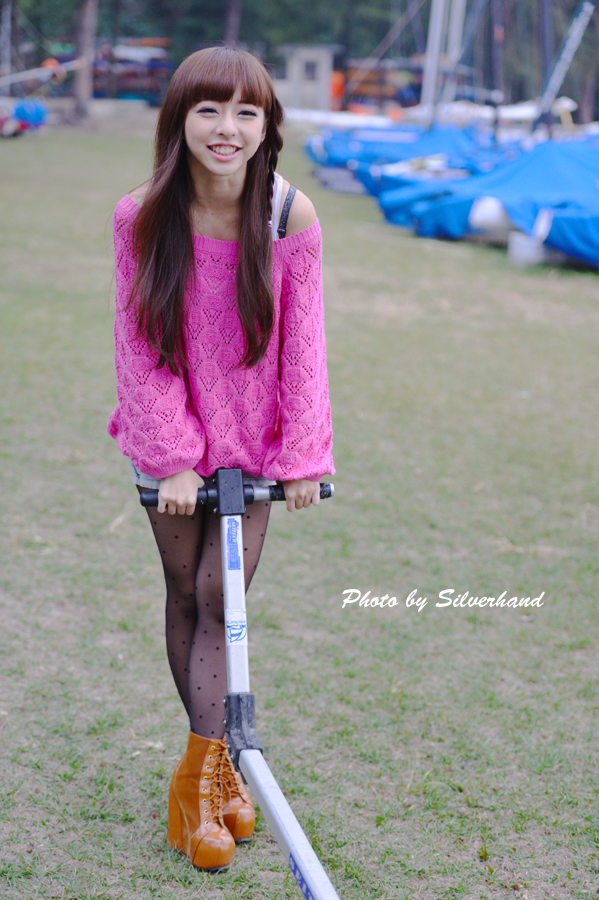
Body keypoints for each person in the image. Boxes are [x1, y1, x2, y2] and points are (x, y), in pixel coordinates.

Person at [106, 46, 335, 873]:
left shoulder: (288, 216)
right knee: (184, 594)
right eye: (208, 109)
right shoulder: (142, 215)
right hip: (167, 435)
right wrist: (173, 456)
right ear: (179, 121)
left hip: (254, 440)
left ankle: (204, 776)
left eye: (246, 111)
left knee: (219, 595)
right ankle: (207, 783)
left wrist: (301, 454)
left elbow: (303, 343)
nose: (227, 127)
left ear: (267, 125)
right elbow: (139, 346)